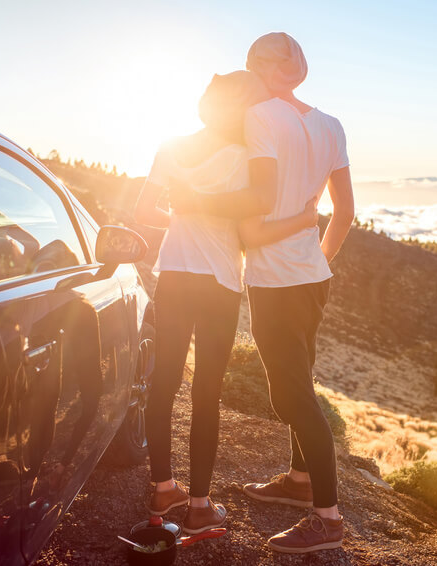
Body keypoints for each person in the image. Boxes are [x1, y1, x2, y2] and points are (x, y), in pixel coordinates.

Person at [171, 32, 355, 553]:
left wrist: (203, 205)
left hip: (275, 279)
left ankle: (327, 518)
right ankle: (299, 481)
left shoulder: (260, 117)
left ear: (256, 68)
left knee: (289, 394)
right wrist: (317, 256)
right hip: (314, 276)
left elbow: (256, 213)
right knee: (303, 376)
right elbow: (345, 212)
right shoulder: (331, 124)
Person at [134, 70, 319, 535]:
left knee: (163, 384)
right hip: (218, 282)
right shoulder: (245, 155)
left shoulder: (171, 146)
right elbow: (255, 211)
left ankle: (162, 487)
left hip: (174, 273)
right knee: (206, 393)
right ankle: (199, 508)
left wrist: (182, 217)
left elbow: (142, 211)